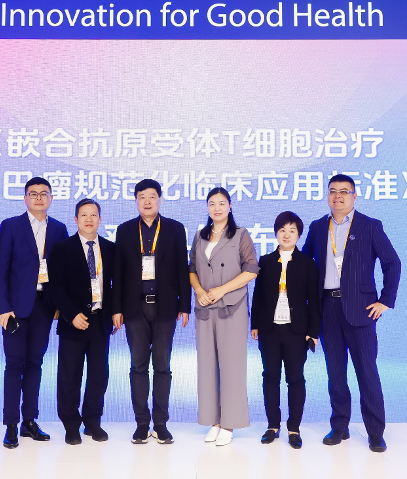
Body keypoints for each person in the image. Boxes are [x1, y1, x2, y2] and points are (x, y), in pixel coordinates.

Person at [302, 174, 401, 453]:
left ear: (354, 196)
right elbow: (305, 264)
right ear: (328, 196)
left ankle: (375, 432)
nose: (338, 196)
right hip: (328, 309)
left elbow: (392, 263)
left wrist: (385, 301)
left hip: (361, 310)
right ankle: (340, 425)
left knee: (367, 373)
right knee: (335, 373)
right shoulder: (318, 227)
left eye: (344, 191)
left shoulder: (370, 226)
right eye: (333, 191)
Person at [113, 179, 191, 444]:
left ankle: (160, 423)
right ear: (136, 201)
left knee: (162, 367)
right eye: (142, 197)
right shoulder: (125, 230)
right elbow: (118, 273)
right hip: (134, 308)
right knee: (138, 366)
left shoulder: (174, 229)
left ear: (159, 200)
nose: (147, 201)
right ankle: (141, 424)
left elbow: (182, 268)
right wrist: (116, 308)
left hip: (165, 307)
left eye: (152, 196)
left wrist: (184, 306)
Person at [0, 176, 67, 448]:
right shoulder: (11, 226)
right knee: (14, 365)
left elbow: (61, 272)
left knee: (35, 363)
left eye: (43, 193)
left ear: (51, 198)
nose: (38, 198)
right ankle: (11, 425)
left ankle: (30, 421)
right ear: (25, 199)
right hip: (15, 309)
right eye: (33, 193)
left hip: (44, 307)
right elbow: (0, 270)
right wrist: (3, 307)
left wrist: (59, 305)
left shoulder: (59, 228)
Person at [188, 187, 258, 446]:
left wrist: (221, 290)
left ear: (230, 206)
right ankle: (214, 422)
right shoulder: (200, 236)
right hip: (205, 307)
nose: (216, 208)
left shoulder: (240, 234)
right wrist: (199, 291)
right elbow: (192, 269)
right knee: (207, 365)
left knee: (231, 365)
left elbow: (251, 270)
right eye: (212, 203)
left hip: (232, 307)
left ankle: (229, 423)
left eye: (221, 203)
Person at [250, 211, 320, 449]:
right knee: (270, 377)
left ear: (298, 235)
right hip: (269, 330)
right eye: (282, 230)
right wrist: (255, 324)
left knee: (295, 379)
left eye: (292, 230)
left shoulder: (307, 263)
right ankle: (272, 426)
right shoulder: (266, 261)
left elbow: (314, 300)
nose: (286, 235)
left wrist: (313, 331)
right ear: (276, 233)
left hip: (296, 331)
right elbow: (258, 295)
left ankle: (294, 428)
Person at [48, 199, 115, 445]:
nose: (89, 219)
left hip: (100, 321)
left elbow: (116, 285)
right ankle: (71, 424)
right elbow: (55, 286)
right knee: (69, 376)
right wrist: (71, 314)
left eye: (93, 215)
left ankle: (92, 421)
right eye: (84, 215)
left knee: (99, 375)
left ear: (100, 219)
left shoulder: (110, 248)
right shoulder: (63, 248)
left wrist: (115, 313)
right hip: (73, 322)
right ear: (76, 219)